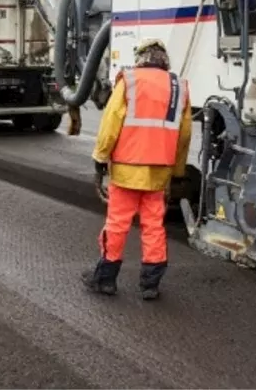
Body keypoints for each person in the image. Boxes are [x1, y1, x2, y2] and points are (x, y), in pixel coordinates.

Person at [82, 38, 192, 300]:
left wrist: (100, 157)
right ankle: (150, 284)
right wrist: (176, 172)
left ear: (141, 58)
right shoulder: (179, 87)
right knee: (154, 225)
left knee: (117, 223)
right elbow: (184, 134)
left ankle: (105, 279)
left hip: (126, 169)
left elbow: (111, 123)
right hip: (159, 173)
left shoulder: (129, 81)